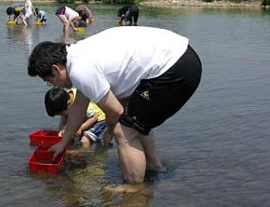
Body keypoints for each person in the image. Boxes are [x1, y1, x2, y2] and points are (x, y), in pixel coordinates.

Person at [27, 26, 202, 183]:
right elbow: (79, 107)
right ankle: (155, 167)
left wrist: (110, 132)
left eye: (49, 80)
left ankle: (134, 190)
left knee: (124, 130)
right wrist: (64, 142)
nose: (53, 85)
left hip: (174, 67)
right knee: (135, 118)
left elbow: (116, 112)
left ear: (57, 69)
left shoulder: (81, 69)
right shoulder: (77, 54)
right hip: (182, 56)